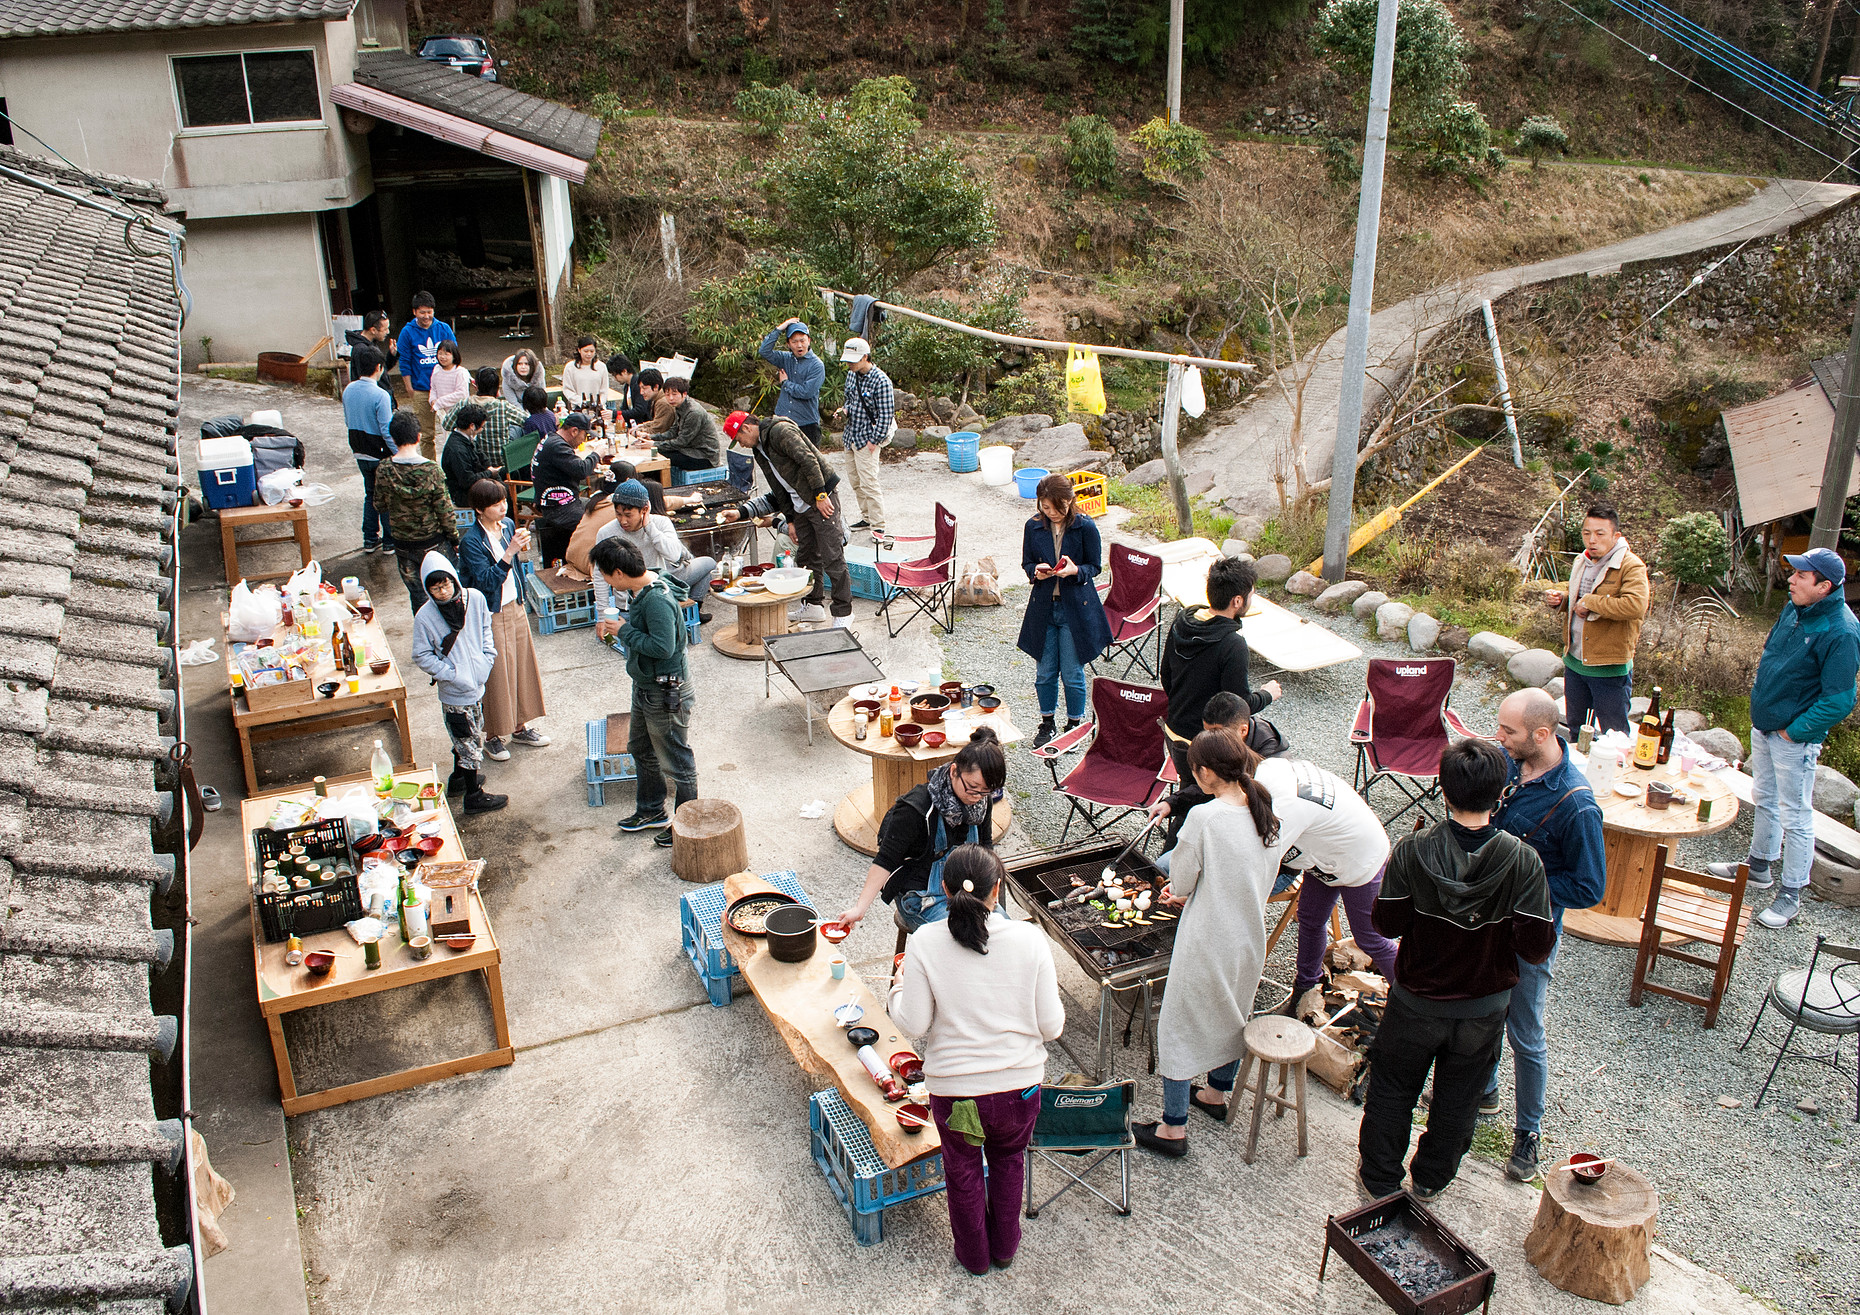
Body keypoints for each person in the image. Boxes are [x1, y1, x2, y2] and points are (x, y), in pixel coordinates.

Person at [1358, 738, 1554, 1201]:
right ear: (1501, 792)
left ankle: (1380, 1179)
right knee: (1458, 1101)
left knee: (1392, 1091)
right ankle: (1430, 1179)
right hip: (1482, 1009)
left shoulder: (1413, 849)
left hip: (1415, 1000)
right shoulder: (1523, 860)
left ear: (1443, 790)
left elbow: (1386, 923)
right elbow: (1536, 947)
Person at [888, 845, 1063, 1276]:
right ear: (997, 889)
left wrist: (897, 987)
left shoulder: (925, 941)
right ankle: (1004, 1249)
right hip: (1019, 1092)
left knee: (963, 1171)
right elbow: (1052, 1027)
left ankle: (974, 1258)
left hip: (958, 1097)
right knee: (1009, 1162)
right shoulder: (1030, 940)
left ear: (944, 890)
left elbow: (914, 1022)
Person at [1135, 728, 1282, 1156]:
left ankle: (1173, 1128)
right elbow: (1254, 877)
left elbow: (1181, 879)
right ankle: (1216, 1094)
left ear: (1203, 772)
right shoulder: (1265, 809)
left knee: (1178, 1025)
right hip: (1248, 939)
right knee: (1232, 1015)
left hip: (1207, 940)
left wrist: (1183, 892)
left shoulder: (1205, 817)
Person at [1482, 687, 1605, 1181]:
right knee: (1485, 1009)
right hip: (1489, 920)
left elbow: (1589, 887)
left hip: (1530, 934)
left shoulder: (1578, 804)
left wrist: (1524, 883)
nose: (1498, 736)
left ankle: (1527, 1133)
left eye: (1507, 730)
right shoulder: (1510, 765)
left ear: (1541, 734)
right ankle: (1485, 1092)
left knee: (1526, 1032)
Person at [1706, 547, 1860, 929]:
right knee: (1765, 798)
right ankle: (1758, 867)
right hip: (1765, 725)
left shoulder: (1841, 630)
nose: (1790, 579)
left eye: (1801, 575)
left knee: (1796, 814)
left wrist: (1794, 732)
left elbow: (1840, 700)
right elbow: (1772, 653)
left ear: (1824, 586)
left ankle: (1791, 894)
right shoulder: (1794, 607)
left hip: (1794, 739)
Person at [1252, 752, 1398, 1011]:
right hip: (1327, 849)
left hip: (1360, 856)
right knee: (1310, 918)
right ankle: (1306, 986)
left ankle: (1412, 1001)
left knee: (1370, 938)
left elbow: (1261, 861)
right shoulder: (1269, 770)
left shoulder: (1285, 806)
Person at [835, 729, 1008, 933]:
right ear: (954, 771)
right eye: (972, 787)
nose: (977, 797)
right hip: (923, 896)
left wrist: (990, 894)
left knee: (1002, 929)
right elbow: (885, 860)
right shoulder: (916, 808)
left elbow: (985, 848)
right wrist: (859, 909)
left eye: (985, 791)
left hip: (967, 890)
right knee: (966, 935)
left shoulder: (981, 803)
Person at [590, 537, 695, 847]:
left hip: (665, 691)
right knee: (640, 747)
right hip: (646, 686)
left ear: (619, 573)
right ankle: (651, 810)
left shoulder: (656, 600)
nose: (605, 581)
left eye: (605, 575)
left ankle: (687, 826)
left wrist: (623, 631)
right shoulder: (642, 589)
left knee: (677, 761)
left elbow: (663, 648)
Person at [718, 412, 852, 627]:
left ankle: (843, 613)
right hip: (799, 503)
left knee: (832, 555)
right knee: (807, 556)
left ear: (746, 428)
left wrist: (820, 494)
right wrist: (790, 519)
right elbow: (778, 487)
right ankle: (813, 606)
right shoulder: (759, 449)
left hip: (819, 497)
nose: (741, 444)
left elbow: (808, 459)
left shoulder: (780, 431)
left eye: (739, 439)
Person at [1161, 555, 1282, 777]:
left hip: (1174, 733)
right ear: (1237, 601)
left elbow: (1165, 676)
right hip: (1207, 745)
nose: (1251, 600)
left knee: (1189, 788)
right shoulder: (1233, 644)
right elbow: (1240, 707)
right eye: (1251, 596)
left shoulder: (1183, 620)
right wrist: (1267, 695)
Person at [1018, 473, 1113, 749]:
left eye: (1056, 507)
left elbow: (1094, 566)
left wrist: (1074, 571)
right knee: (1045, 671)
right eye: (1045, 507)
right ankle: (1047, 722)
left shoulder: (1086, 527)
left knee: (1072, 672)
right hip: (1044, 607)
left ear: (1070, 501)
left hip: (1075, 608)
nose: (1051, 513)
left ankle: (1074, 725)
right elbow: (1026, 563)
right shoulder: (1033, 526)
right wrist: (1035, 572)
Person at [409, 552, 507, 814]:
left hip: (477, 684)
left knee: (468, 734)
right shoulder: (425, 616)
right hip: (454, 693)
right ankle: (474, 796)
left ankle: (458, 780)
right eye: (435, 588)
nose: (443, 592)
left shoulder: (474, 598)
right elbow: (421, 655)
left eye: (446, 584)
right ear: (427, 589)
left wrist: (487, 658)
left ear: (454, 579)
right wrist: (450, 674)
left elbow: (485, 629)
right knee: (469, 741)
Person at [458, 479, 550, 761]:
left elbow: (516, 567)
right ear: (479, 509)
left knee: (522, 665)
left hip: (514, 604)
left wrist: (521, 591)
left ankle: (520, 727)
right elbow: (486, 581)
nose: (502, 507)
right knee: (497, 672)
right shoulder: (471, 541)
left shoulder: (508, 525)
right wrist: (509, 552)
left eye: (503, 501)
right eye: (495, 504)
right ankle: (493, 735)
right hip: (491, 612)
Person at [1149, 691, 1288, 872]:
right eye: (1207, 732)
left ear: (1243, 730)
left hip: (1259, 855)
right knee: (1164, 864)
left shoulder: (1270, 761)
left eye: (1217, 732)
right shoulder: (1227, 741)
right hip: (1228, 831)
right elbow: (1208, 784)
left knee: (1176, 867)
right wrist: (1172, 803)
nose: (1211, 738)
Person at [1542, 503, 1650, 736]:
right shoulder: (1582, 560)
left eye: (1600, 534)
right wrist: (1563, 600)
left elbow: (1635, 605)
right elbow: (1580, 600)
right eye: (1586, 533)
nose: (1592, 540)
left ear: (1615, 536)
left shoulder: (1630, 565)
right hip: (1575, 662)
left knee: (1615, 735)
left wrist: (1591, 602)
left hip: (1608, 668)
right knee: (1577, 729)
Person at [590, 479, 717, 623]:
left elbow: (674, 555)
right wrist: (602, 617)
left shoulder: (661, 523)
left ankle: (692, 610)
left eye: (628, 515)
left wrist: (649, 528)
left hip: (657, 599)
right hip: (627, 606)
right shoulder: (606, 532)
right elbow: (599, 575)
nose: (623, 521)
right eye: (618, 514)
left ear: (644, 510)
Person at [371, 410, 459, 612]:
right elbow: (445, 511)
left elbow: (379, 505)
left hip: (403, 545)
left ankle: (425, 630)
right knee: (445, 592)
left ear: (393, 439)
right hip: (434, 544)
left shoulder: (384, 469)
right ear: (419, 436)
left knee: (419, 598)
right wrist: (454, 539)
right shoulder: (432, 470)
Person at [342, 344, 396, 555]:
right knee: (386, 497)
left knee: (370, 494)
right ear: (379, 367)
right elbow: (386, 430)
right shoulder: (380, 395)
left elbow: (348, 420)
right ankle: (389, 541)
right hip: (379, 452)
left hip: (359, 449)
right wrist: (398, 452)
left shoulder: (348, 390)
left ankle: (369, 539)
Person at [531, 411, 603, 567]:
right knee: (596, 525)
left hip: (562, 499)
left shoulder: (552, 439)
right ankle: (587, 565)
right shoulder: (557, 446)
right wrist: (596, 454)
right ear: (574, 431)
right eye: (584, 435)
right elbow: (582, 470)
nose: (583, 440)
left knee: (599, 506)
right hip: (558, 508)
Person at [837, 335, 891, 539]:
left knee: (869, 483)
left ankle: (878, 526)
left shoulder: (881, 380)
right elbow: (850, 400)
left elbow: (886, 415)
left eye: (853, 360)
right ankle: (866, 517)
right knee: (855, 481)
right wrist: (844, 410)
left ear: (865, 357)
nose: (849, 364)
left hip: (867, 438)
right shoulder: (851, 376)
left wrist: (874, 441)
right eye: (848, 360)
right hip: (850, 435)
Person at [395, 291, 454, 456]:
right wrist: (409, 388)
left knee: (452, 430)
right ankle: (430, 465)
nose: (426, 316)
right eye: (422, 312)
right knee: (426, 435)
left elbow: (454, 356)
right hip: (421, 389)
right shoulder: (407, 332)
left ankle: (452, 464)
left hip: (445, 388)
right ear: (414, 312)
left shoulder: (444, 329)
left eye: (429, 312)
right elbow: (404, 362)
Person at [758, 317, 825, 445]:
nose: (799, 345)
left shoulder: (817, 365)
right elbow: (764, 351)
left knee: (807, 458)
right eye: (794, 342)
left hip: (806, 424)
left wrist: (786, 383)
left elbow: (806, 392)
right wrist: (780, 328)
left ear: (809, 340)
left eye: (802, 340)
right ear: (788, 344)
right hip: (782, 421)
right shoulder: (785, 358)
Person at [451, 365, 526, 457]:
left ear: (475, 386)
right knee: (516, 428)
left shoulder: (463, 404)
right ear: (497, 388)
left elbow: (447, 425)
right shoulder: (503, 406)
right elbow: (527, 419)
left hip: (474, 458)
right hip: (502, 459)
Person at [653, 375, 723, 472]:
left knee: (660, 456)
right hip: (690, 449)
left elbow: (681, 442)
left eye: (674, 394)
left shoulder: (693, 412)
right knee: (658, 452)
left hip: (704, 456)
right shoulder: (679, 406)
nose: (671, 398)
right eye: (667, 395)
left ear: (684, 394)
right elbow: (673, 431)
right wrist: (651, 437)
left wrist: (654, 444)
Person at [440, 404, 496, 507]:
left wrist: (490, 470)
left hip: (477, 482)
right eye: (481, 427)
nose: (482, 430)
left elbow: (482, 458)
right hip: (464, 494)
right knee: (502, 490)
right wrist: (489, 473)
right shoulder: (457, 450)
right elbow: (467, 481)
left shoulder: (468, 438)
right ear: (472, 426)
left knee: (510, 475)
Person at [344, 309, 398, 386]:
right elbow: (364, 381)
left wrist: (392, 355)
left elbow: (380, 370)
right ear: (373, 330)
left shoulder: (371, 343)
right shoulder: (361, 350)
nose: (388, 332)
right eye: (385, 329)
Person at [561, 336, 610, 411]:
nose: (589, 354)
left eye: (592, 351)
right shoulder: (570, 367)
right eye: (586, 351)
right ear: (579, 350)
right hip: (578, 407)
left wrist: (599, 403)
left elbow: (604, 390)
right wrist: (582, 402)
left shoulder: (601, 367)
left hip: (598, 407)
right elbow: (567, 389)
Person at [427, 339, 470, 424]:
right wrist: (433, 400)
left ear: (454, 356)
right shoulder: (437, 369)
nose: (442, 357)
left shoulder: (461, 372)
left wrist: (439, 402)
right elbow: (433, 388)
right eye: (440, 353)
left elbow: (461, 394)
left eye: (446, 354)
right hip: (443, 413)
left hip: (459, 413)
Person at [607, 354, 651, 426]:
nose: (615, 379)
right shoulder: (627, 386)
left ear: (624, 371)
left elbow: (640, 410)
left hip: (642, 426)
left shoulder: (638, 385)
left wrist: (615, 414)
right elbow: (624, 408)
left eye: (615, 375)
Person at [633, 367, 675, 436]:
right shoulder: (656, 398)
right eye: (640, 388)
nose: (641, 392)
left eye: (644, 388)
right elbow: (656, 422)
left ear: (656, 387)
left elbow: (657, 430)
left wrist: (637, 431)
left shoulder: (663, 403)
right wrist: (641, 426)